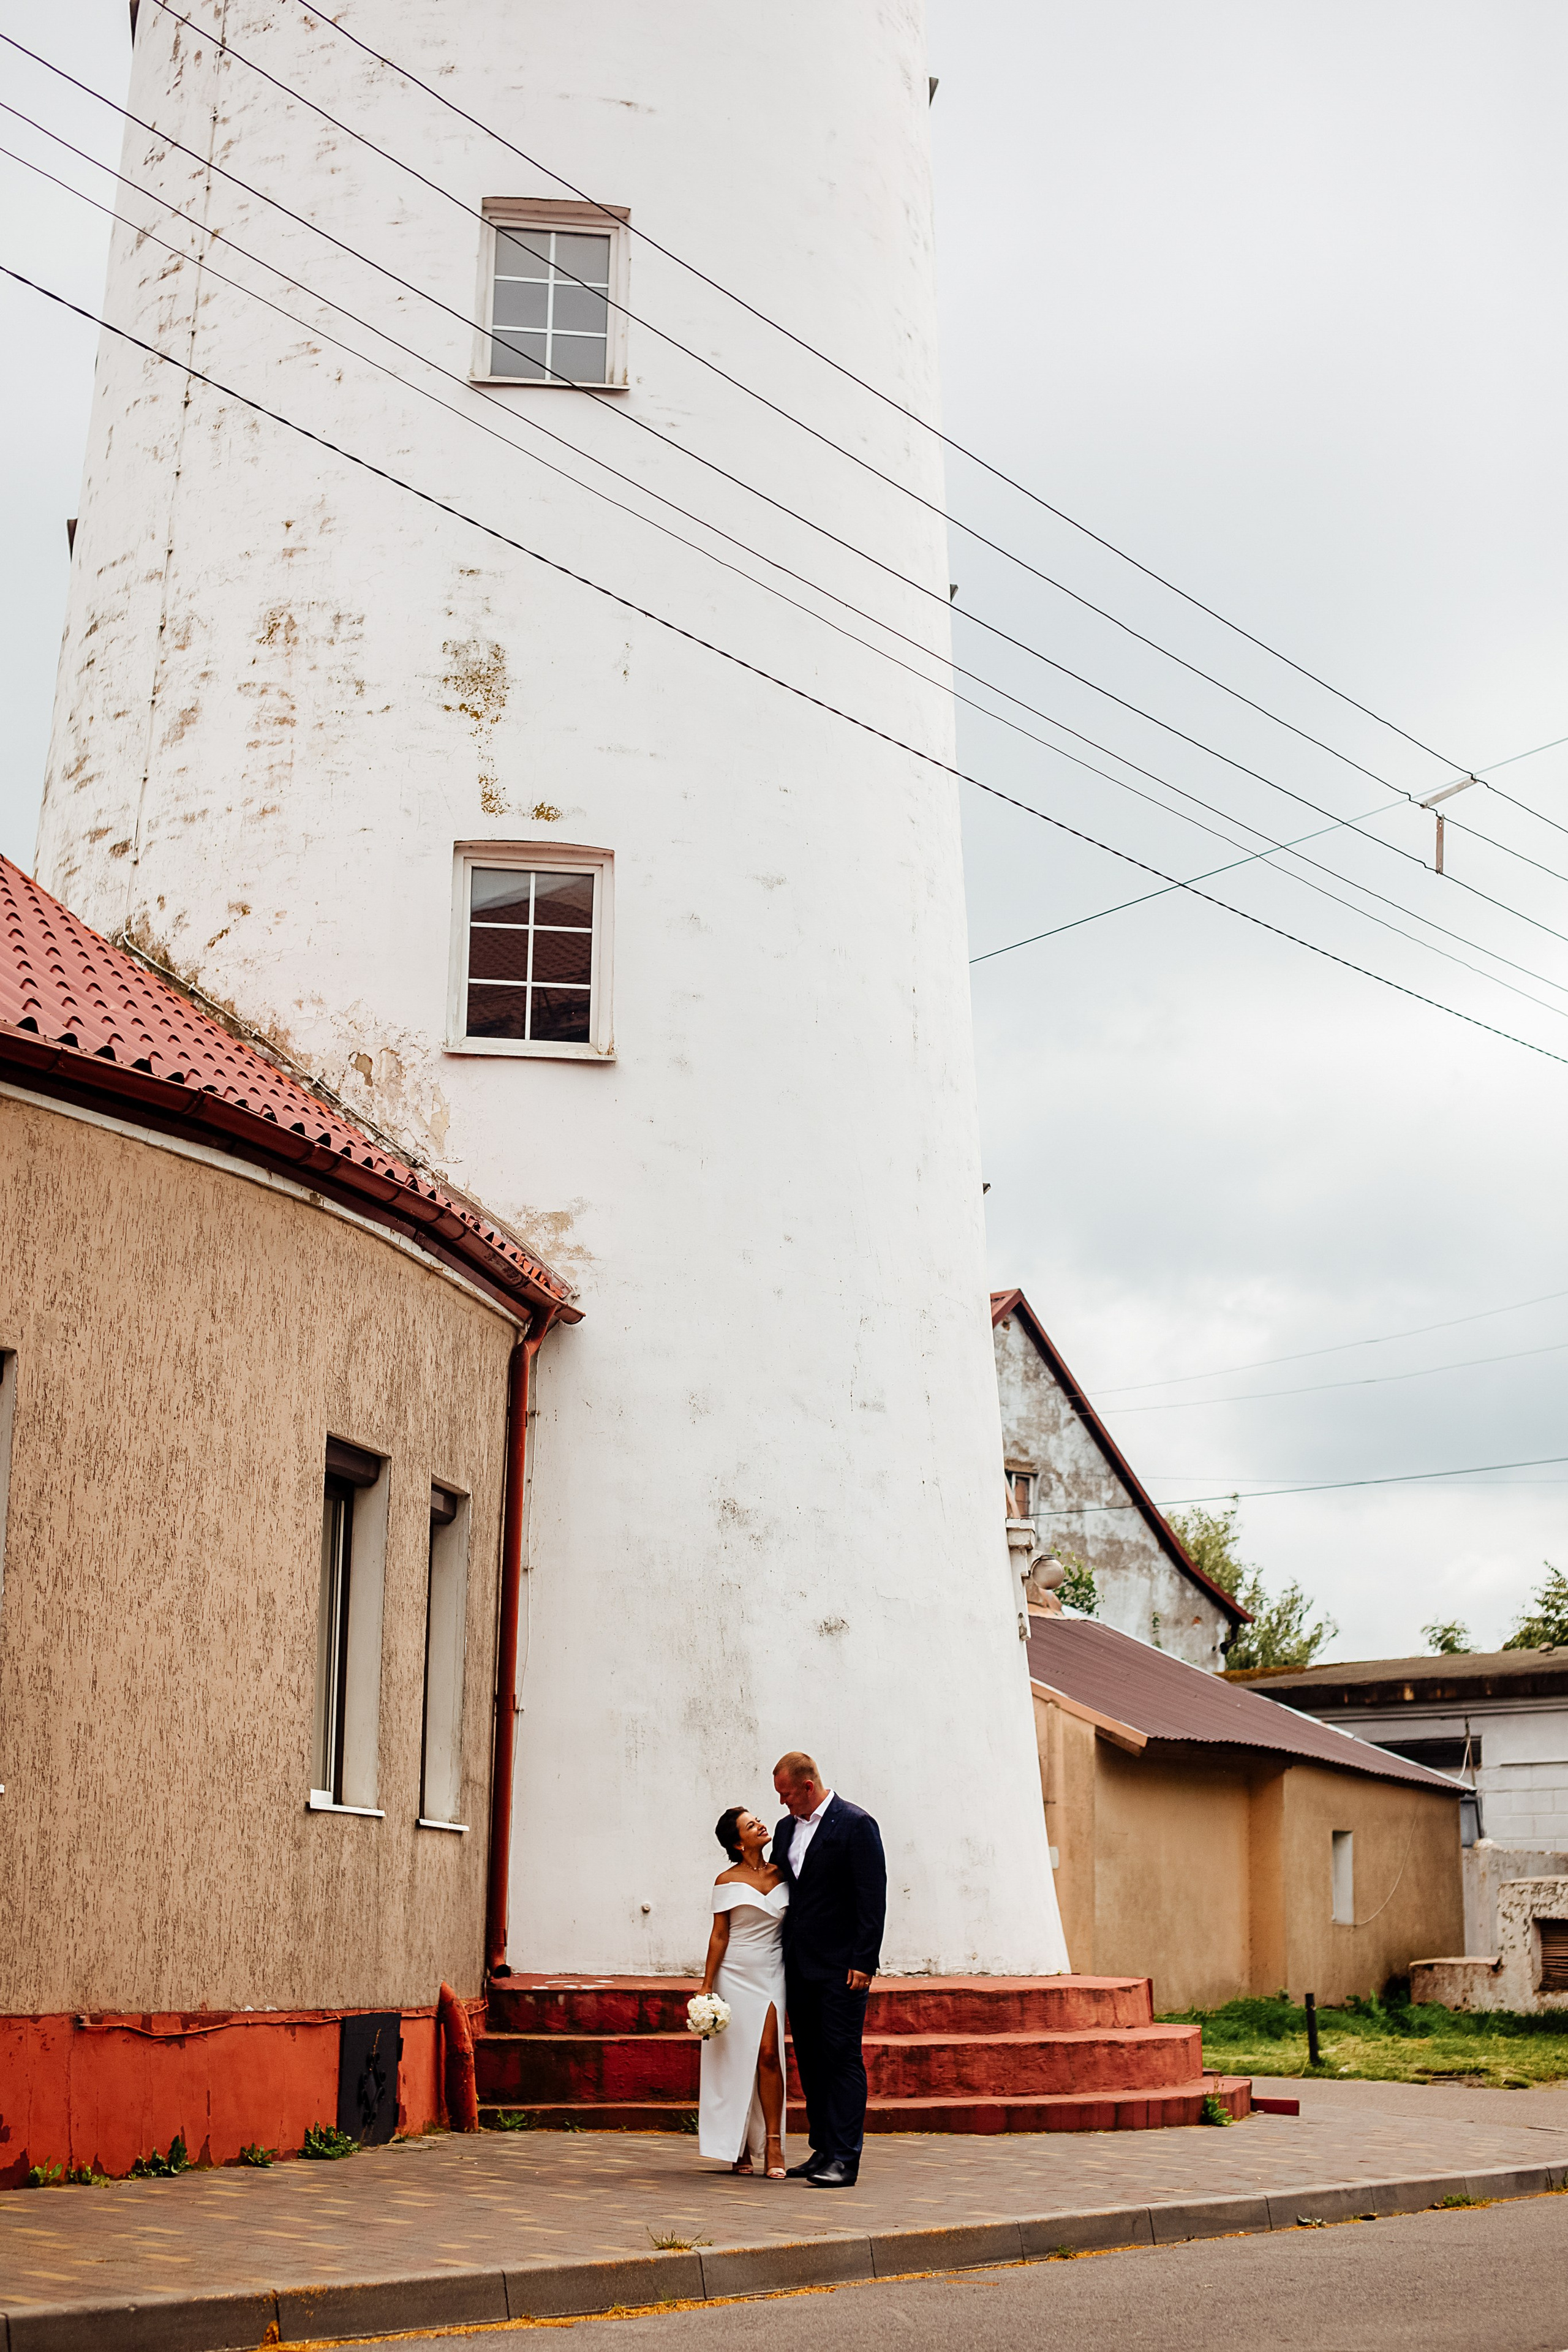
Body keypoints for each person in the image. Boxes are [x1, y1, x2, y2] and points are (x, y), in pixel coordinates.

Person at [771, 1751, 886, 2189]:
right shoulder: (785, 1829)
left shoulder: (855, 1824)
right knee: (812, 2059)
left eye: (786, 1794)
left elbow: (871, 1896)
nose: (782, 1803)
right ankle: (821, 2148)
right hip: (799, 1964)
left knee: (842, 2056)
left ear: (807, 1786)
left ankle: (844, 2157)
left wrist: (864, 1959)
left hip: (842, 1967)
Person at [696, 1806, 788, 2179]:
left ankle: (774, 2143)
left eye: (759, 1820)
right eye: (752, 1825)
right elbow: (720, 1935)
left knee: (769, 2054)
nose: (761, 1825)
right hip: (735, 1974)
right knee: (736, 2062)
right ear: (738, 1842)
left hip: (773, 1972)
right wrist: (706, 1986)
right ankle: (737, 2148)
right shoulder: (725, 1880)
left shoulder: (784, 1872)